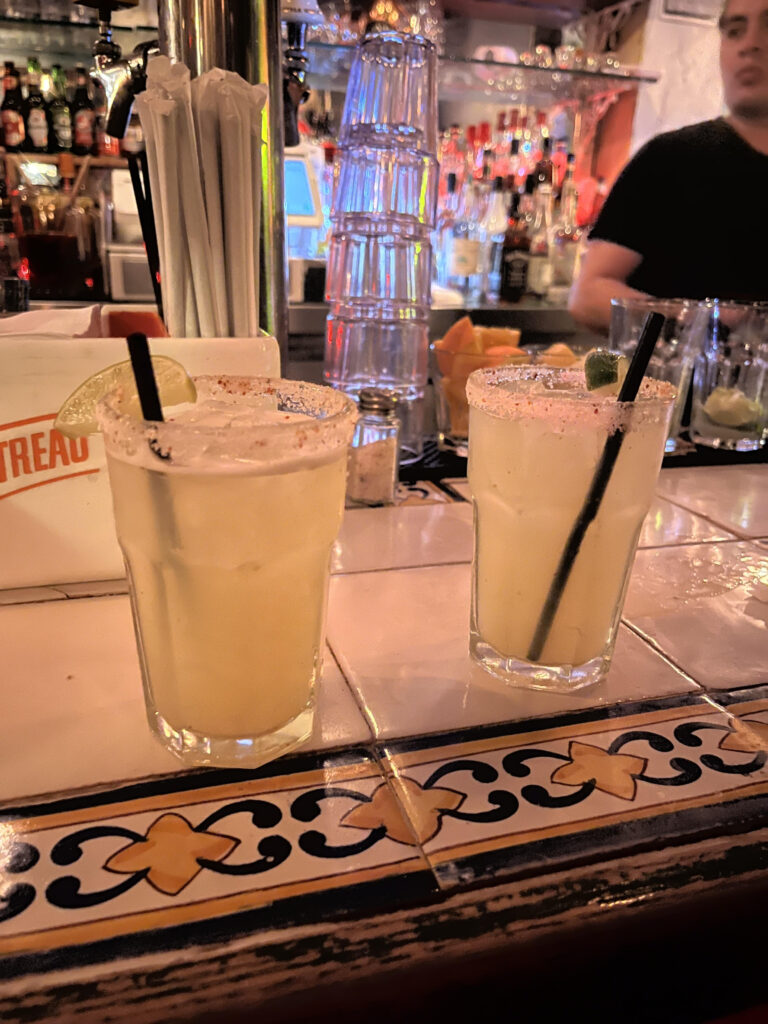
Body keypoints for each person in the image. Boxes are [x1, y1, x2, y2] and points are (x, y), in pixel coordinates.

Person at [569, 0, 768, 332]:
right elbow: (588, 296)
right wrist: (701, 322)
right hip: (681, 384)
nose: (750, 44)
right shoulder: (670, 159)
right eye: (734, 31)